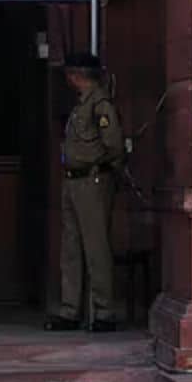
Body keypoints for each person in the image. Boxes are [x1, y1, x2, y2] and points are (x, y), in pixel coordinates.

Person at [46, 52, 124, 333]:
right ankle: (71, 310)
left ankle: (103, 311)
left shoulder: (100, 105)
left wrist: (99, 168)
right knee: (71, 248)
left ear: (78, 75)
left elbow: (114, 145)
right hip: (73, 181)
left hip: (92, 180)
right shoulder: (82, 105)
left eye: (70, 74)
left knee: (95, 247)